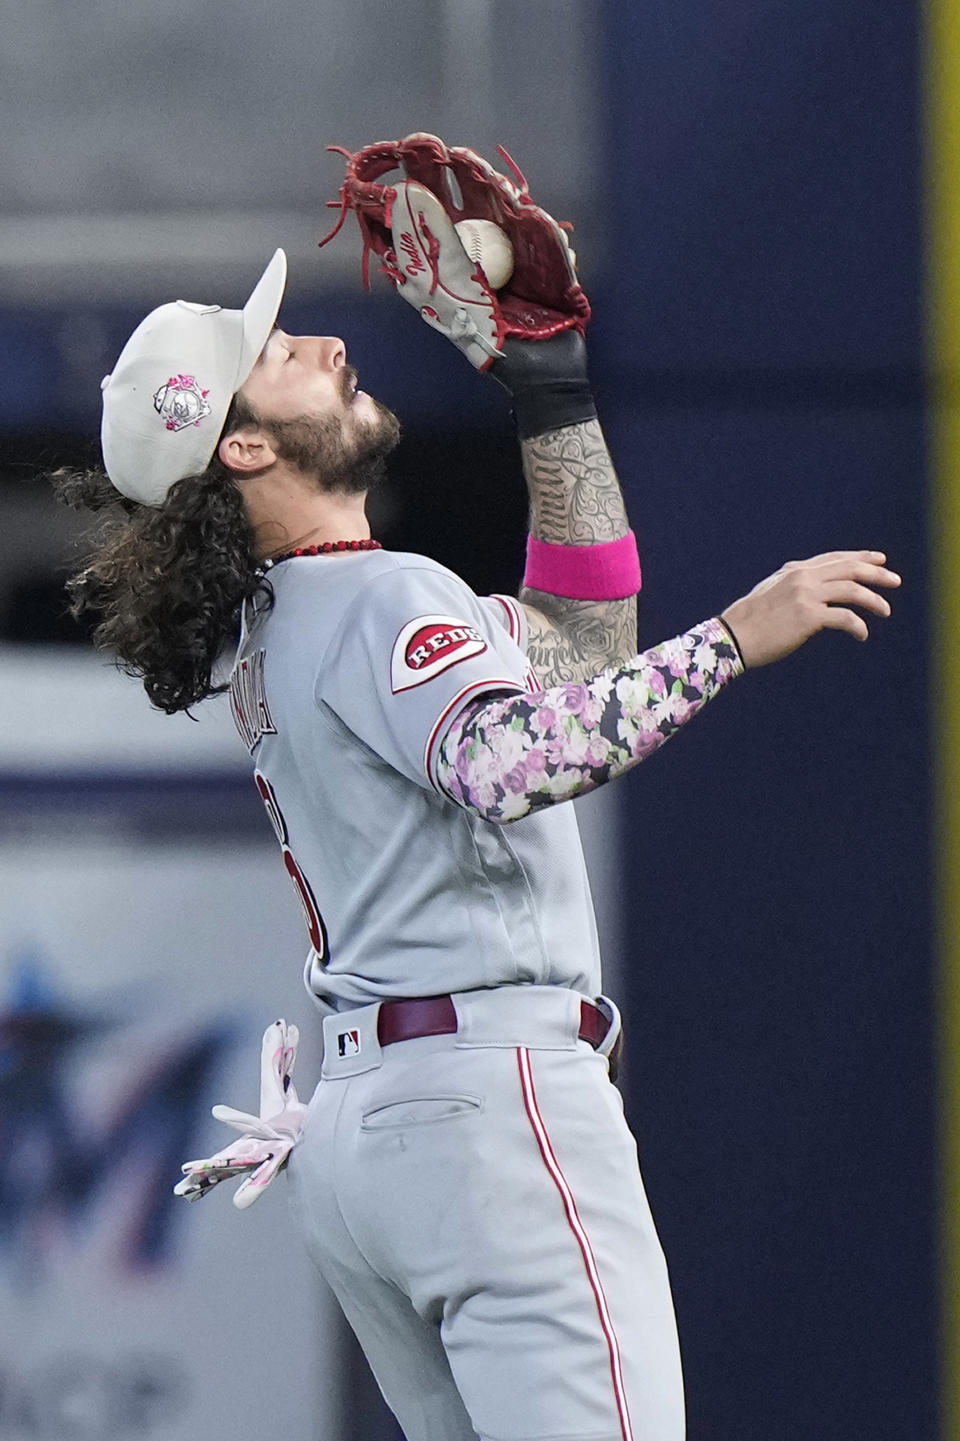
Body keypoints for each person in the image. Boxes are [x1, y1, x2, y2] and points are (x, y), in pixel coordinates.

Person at [54, 235, 899, 1441]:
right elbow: (519, 757)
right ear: (240, 445)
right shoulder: (381, 594)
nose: (327, 343)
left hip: (372, 1138)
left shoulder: (277, 627)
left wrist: (551, 398)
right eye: (282, 355)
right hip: (488, 1110)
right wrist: (732, 636)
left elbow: (579, 649)